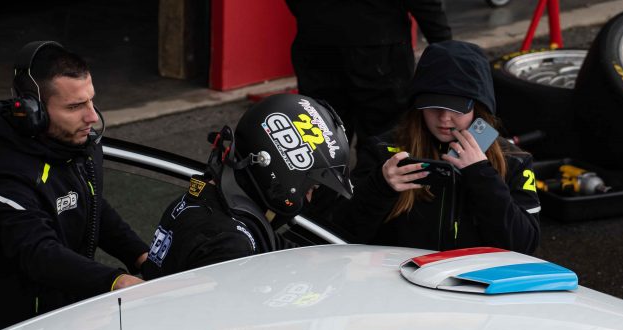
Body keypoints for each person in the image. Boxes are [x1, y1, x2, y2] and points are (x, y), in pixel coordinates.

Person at [0, 41, 148, 330]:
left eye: (91, 101)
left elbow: (91, 203)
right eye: (74, 107)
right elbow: (39, 254)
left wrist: (141, 256)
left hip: (65, 324)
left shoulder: (77, 147)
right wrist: (115, 281)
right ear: (32, 111)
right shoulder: (6, 177)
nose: (92, 117)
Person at [331, 40, 541, 253]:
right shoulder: (383, 151)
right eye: (433, 106)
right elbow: (341, 234)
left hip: (475, 281)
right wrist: (380, 186)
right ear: (417, 106)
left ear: (478, 108)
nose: (444, 118)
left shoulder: (514, 160)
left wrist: (482, 176)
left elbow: (524, 247)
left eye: (457, 108)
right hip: (397, 279)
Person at [140, 94, 354, 279]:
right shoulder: (229, 242)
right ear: (283, 172)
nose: (307, 199)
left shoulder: (210, 201)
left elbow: (282, 250)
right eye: (310, 188)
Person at [286, 0, 452, 179]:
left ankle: (325, 197)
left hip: (318, 43)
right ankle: (370, 195)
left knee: (322, 136)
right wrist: (445, 46)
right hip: (378, 45)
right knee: (382, 139)